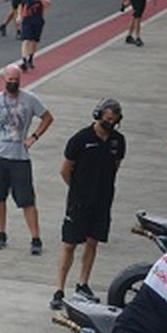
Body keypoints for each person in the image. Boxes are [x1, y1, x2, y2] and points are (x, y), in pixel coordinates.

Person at [51, 99, 125, 310]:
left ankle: (83, 284)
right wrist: (78, 190)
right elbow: (65, 170)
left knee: (93, 241)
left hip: (102, 201)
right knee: (69, 244)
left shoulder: (118, 141)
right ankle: (59, 289)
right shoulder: (80, 139)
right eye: (107, 118)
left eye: (114, 120)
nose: (110, 123)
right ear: (98, 115)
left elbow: (116, 166)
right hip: (79, 202)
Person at [0, 64, 53, 255]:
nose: (13, 83)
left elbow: (47, 118)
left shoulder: (29, 99)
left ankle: (35, 237)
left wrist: (33, 137)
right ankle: (0, 233)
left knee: (27, 200)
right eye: (9, 80)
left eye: (16, 80)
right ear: (3, 80)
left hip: (19, 157)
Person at [18, 0, 51, 71]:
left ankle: (31, 58)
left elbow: (47, 3)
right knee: (25, 40)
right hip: (27, 18)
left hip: (38, 18)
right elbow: (21, 4)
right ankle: (24, 60)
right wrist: (19, 16)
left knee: (35, 41)